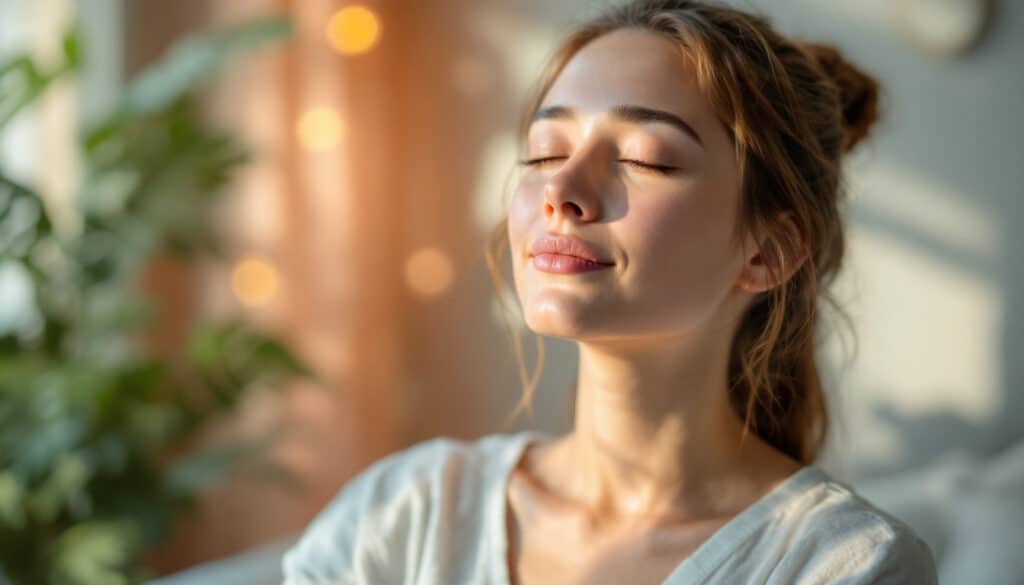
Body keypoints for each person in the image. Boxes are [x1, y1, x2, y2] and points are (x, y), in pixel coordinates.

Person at [281, 0, 939, 583]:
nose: (560, 191)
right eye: (543, 152)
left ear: (767, 251)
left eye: (646, 158)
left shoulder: (845, 564)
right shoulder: (407, 511)